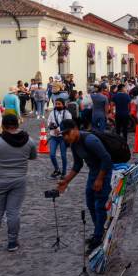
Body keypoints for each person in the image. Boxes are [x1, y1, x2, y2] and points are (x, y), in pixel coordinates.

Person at [0, 114, 37, 253]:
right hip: (19, 180)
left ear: (3, 125)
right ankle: (12, 242)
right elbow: (33, 156)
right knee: (13, 212)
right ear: (17, 125)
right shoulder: (29, 140)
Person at [58, 119, 112, 253]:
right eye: (63, 135)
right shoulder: (74, 143)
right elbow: (78, 165)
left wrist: (100, 179)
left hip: (104, 172)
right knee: (90, 203)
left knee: (99, 205)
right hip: (93, 172)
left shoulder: (90, 140)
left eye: (67, 133)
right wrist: (66, 181)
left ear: (75, 129)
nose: (65, 137)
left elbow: (106, 159)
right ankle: (98, 231)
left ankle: (99, 238)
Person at [47, 99, 72, 179]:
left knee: (63, 155)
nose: (57, 105)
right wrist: (53, 127)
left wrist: (61, 131)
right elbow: (49, 123)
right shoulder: (52, 113)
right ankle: (57, 169)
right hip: (53, 136)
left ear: (63, 104)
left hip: (63, 138)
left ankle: (64, 172)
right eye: (56, 104)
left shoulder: (67, 114)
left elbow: (70, 126)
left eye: (59, 104)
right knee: (52, 154)